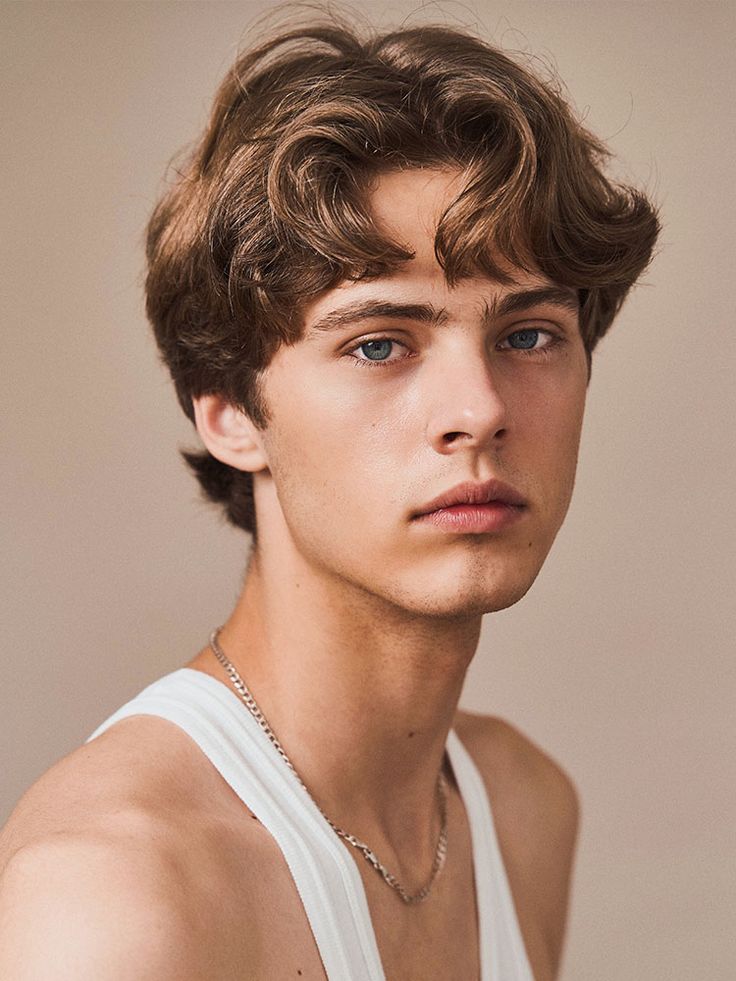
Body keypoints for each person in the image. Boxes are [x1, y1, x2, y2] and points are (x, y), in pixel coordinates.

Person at [0, 14, 659, 981]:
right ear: (230, 410)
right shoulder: (117, 890)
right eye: (380, 343)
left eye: (528, 335)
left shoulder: (519, 807)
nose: (478, 411)